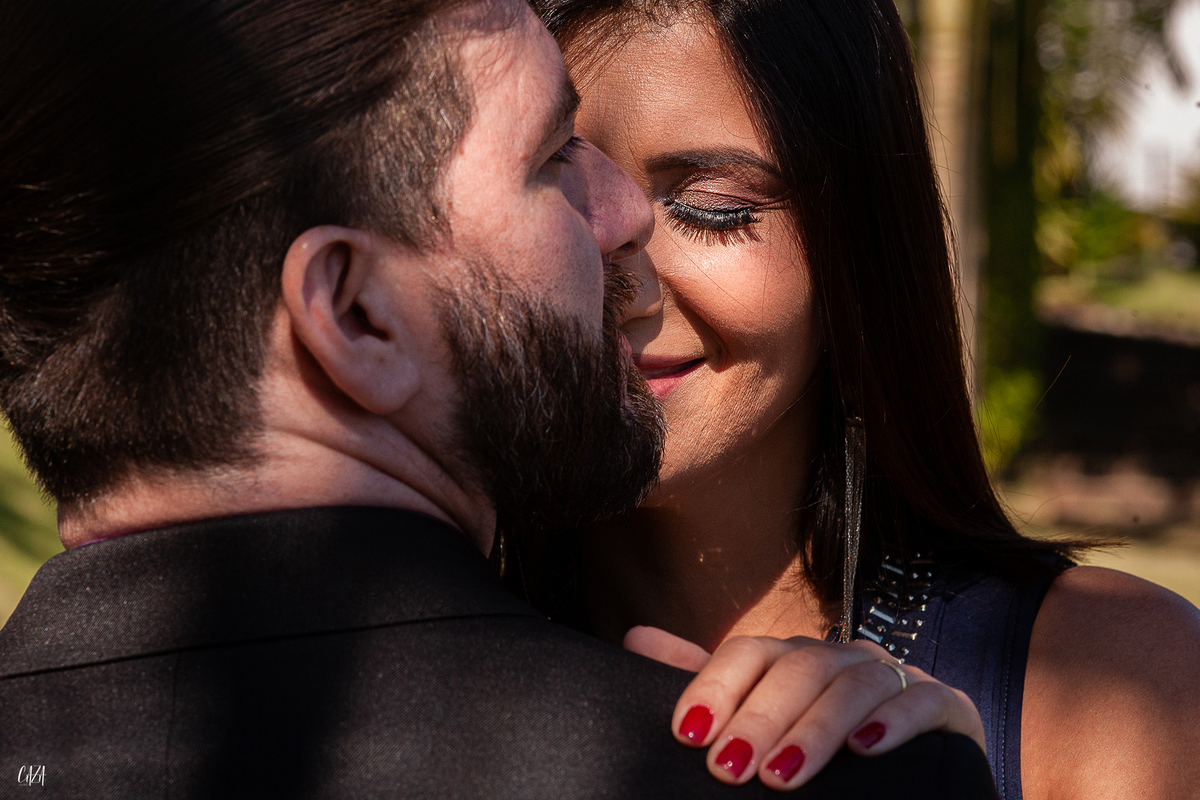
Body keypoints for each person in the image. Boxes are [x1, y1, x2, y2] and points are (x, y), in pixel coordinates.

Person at [0, 0, 1002, 797]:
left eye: (713, 204)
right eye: (554, 157)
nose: (625, 218)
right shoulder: (822, 776)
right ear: (356, 313)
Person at [511, 0, 1200, 797]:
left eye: (710, 209)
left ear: (857, 240)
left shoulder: (1121, 692)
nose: (626, 288)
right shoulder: (410, 677)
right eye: (558, 188)